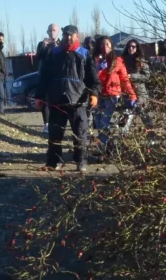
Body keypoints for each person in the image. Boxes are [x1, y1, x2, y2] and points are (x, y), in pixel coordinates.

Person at [34, 25, 98, 173]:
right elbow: (44, 77)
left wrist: (94, 94)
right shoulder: (54, 53)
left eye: (71, 35)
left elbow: (93, 78)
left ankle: (81, 161)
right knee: (55, 133)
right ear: (62, 36)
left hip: (78, 101)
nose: (68, 38)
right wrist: (40, 96)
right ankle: (53, 161)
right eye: (65, 35)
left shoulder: (84, 54)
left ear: (77, 36)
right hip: (57, 100)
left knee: (80, 133)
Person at [94, 37, 137, 153]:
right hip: (98, 95)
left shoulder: (117, 61)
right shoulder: (96, 61)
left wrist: (132, 95)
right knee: (97, 122)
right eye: (102, 44)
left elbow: (124, 80)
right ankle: (105, 147)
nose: (105, 47)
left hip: (111, 96)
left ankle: (105, 148)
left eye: (107, 44)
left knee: (104, 122)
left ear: (111, 46)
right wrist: (98, 68)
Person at [121, 39, 153, 130]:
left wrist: (133, 76)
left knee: (143, 113)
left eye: (133, 47)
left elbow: (147, 76)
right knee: (127, 115)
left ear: (137, 48)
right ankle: (124, 135)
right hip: (127, 91)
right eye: (129, 47)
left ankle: (151, 134)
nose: (131, 48)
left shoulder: (141, 61)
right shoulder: (122, 61)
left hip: (140, 92)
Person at [35, 23, 60, 133]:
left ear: (57, 31)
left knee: (58, 100)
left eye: (54, 30)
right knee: (45, 100)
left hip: (58, 76)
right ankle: (46, 124)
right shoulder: (42, 43)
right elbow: (39, 57)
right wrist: (44, 46)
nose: (52, 33)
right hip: (45, 76)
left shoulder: (61, 43)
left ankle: (57, 123)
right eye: (50, 31)